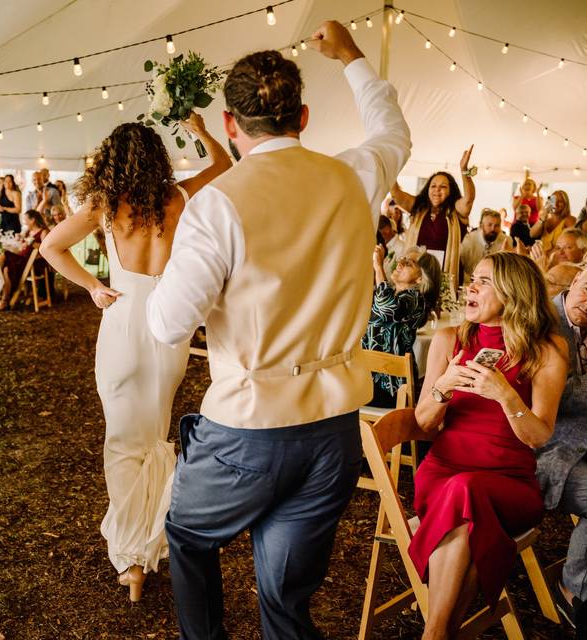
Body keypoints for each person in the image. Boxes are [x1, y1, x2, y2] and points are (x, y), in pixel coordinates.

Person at [145, 21, 411, 638]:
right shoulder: (355, 176)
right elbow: (393, 130)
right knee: (286, 598)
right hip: (336, 431)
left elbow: (167, 324)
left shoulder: (216, 204)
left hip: (249, 431)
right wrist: (351, 57)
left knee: (185, 532)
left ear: (230, 125)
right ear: (305, 116)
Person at [40, 112, 231, 602]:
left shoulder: (104, 206)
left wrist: (94, 287)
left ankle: (131, 563)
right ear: (156, 159)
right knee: (154, 439)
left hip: (123, 323)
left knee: (121, 444)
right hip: (169, 327)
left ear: (110, 162)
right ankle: (147, 546)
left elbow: (50, 247)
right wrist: (202, 129)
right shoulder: (179, 197)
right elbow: (224, 162)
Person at [412, 252, 568, 640]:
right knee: (465, 498)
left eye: (484, 281)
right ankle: (441, 633)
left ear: (514, 293)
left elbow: (540, 435)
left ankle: (435, 632)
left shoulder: (547, 350)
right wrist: (443, 385)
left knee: (468, 493)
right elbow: (423, 423)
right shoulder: (449, 340)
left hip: (509, 482)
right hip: (442, 473)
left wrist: (506, 395)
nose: (471, 287)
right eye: (472, 279)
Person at [535, 259, 587, 625]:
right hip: (548, 450)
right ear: (575, 276)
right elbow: (535, 398)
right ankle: (576, 592)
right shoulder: (539, 324)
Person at [363, 246, 441, 407]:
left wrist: (378, 267)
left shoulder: (416, 300)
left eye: (409, 263)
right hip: (368, 377)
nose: (400, 263)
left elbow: (388, 308)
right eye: (402, 259)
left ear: (420, 278)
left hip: (390, 385)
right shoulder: (393, 294)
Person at [393, 150, 476, 285]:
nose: (437, 190)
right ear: (427, 190)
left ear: (451, 191)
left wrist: (464, 170)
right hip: (415, 274)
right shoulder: (418, 208)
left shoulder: (456, 211)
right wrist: (391, 163)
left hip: (444, 275)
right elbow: (396, 193)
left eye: (443, 187)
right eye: (433, 186)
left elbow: (469, 199)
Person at [0, 209, 53, 310]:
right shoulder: (28, 231)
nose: (24, 222)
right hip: (23, 260)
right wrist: (21, 240)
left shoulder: (43, 231)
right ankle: (4, 299)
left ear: (32, 220)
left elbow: (46, 249)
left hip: (34, 264)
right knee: (6, 268)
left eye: (26, 219)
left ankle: (4, 300)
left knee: (5, 257)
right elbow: (23, 247)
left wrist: (31, 243)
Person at [459, 208, 510, 282]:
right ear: (481, 225)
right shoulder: (469, 240)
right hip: (469, 281)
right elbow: (462, 265)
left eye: (497, 226)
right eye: (489, 225)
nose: (493, 229)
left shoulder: (506, 241)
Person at [530, 189, 571, 254]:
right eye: (553, 201)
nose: (556, 204)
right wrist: (542, 218)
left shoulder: (569, 220)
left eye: (560, 201)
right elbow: (532, 234)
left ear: (565, 204)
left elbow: (571, 244)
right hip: (544, 259)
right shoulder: (545, 220)